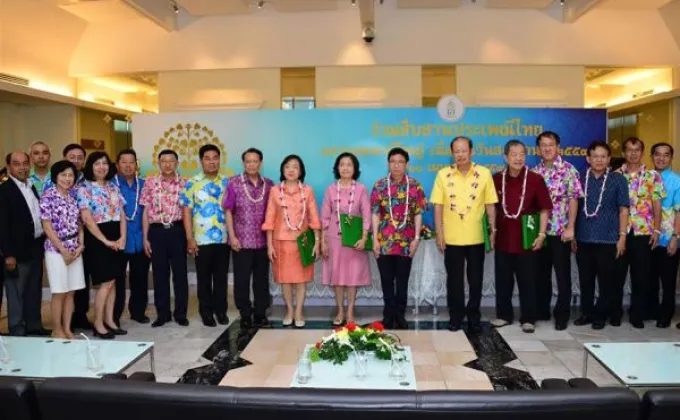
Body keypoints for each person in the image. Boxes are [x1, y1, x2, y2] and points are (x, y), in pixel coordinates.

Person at [430, 136, 497, 333]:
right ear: (452, 153)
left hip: (477, 237)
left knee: (476, 280)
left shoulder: (484, 174)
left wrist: (493, 231)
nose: (460, 154)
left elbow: (490, 205)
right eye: (456, 151)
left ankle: (474, 315)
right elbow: (438, 206)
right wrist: (439, 234)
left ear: (471, 151)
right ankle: (455, 316)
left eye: (464, 150)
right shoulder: (443, 175)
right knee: (454, 280)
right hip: (452, 238)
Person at [492, 140, 552, 334]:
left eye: (521, 154)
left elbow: (544, 209)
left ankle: (528, 318)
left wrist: (542, 234)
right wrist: (491, 230)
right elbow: (491, 208)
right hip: (503, 240)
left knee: (528, 281)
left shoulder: (535, 179)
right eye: (513, 154)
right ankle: (503, 315)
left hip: (527, 240)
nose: (518, 158)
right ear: (505, 157)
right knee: (503, 280)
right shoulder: (496, 179)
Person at [573, 141, 629, 330]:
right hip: (583, 238)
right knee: (585, 280)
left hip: (609, 238)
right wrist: (572, 234)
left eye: (603, 156)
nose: (599, 160)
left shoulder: (618, 180)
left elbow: (623, 209)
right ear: (588, 158)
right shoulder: (579, 178)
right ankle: (587, 313)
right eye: (595, 156)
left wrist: (622, 237)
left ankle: (601, 315)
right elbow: (572, 208)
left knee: (606, 281)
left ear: (609, 159)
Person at [371, 147, 427, 330]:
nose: (396, 165)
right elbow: (375, 214)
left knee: (402, 280)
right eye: (393, 161)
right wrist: (375, 239)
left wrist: (417, 238)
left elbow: (418, 213)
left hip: (406, 242)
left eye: (400, 162)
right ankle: (388, 315)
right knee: (387, 280)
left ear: (406, 164)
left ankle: (400, 315)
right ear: (388, 164)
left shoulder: (415, 185)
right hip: (385, 242)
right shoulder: (379, 185)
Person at [532, 131, 583, 330]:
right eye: (543, 145)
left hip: (561, 231)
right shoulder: (534, 171)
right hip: (541, 232)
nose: (547, 148)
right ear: (538, 149)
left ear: (558, 147)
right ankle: (542, 310)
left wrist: (571, 227)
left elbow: (574, 199)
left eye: (550, 145)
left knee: (562, 274)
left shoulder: (568, 170)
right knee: (540, 274)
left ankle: (562, 314)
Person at [262, 154, 321, 328]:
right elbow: (270, 218)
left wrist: (317, 242)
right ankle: (289, 309)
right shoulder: (275, 191)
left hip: (303, 243)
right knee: (285, 279)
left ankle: (299, 311)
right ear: (282, 169)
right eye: (287, 166)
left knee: (301, 279)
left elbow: (314, 218)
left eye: (295, 167)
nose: (291, 170)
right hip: (280, 242)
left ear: (301, 171)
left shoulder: (308, 191)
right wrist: (269, 245)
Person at [613, 137, 665, 329]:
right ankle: (615, 313)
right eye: (629, 150)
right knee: (616, 276)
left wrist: (657, 229)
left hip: (643, 233)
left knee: (640, 276)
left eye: (637, 150)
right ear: (624, 153)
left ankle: (637, 314)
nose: (632, 153)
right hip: (620, 233)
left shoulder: (653, 177)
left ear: (642, 153)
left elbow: (657, 206)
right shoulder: (615, 175)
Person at [77, 151, 127, 339]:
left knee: (113, 281)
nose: (102, 167)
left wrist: (122, 237)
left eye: (105, 163)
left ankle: (110, 320)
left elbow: (121, 213)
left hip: (116, 235)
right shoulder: (84, 188)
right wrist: (105, 241)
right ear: (90, 166)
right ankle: (98, 324)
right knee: (105, 283)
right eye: (97, 163)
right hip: (97, 238)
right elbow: (87, 219)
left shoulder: (113, 187)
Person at [0, 152, 50, 336]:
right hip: (16, 252)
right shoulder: (4, 190)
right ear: (8, 167)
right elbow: (2, 225)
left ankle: (34, 326)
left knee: (33, 291)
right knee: (16, 293)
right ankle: (17, 329)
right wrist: (8, 254)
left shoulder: (31, 186)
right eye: (16, 164)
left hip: (35, 247)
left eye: (25, 163)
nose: (22, 167)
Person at [139, 149, 189, 328]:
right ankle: (163, 314)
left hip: (177, 230)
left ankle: (181, 314)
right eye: (163, 161)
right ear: (158, 163)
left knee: (180, 274)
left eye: (171, 161)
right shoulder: (150, 183)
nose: (167, 164)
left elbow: (188, 212)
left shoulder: (185, 183)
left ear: (177, 163)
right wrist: (146, 238)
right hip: (157, 232)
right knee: (160, 275)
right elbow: (145, 211)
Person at [320, 152, 371, 326]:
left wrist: (364, 237)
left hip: (355, 240)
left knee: (352, 277)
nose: (346, 168)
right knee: (338, 277)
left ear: (355, 168)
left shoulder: (362, 189)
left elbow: (366, 215)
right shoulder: (330, 189)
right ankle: (340, 309)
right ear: (337, 168)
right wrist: (323, 241)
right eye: (342, 164)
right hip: (334, 239)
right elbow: (325, 217)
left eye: (349, 164)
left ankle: (350, 312)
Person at [224, 148, 273, 328]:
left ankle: (260, 313)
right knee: (241, 280)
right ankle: (245, 313)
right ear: (243, 163)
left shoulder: (269, 185)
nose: (252, 164)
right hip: (241, 242)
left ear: (260, 163)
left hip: (262, 242)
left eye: (255, 161)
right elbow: (228, 211)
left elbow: (272, 213)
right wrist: (232, 236)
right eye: (248, 161)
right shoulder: (234, 183)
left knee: (261, 280)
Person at [181, 144, 230, 327]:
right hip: (201, 240)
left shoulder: (227, 182)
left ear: (220, 159)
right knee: (203, 279)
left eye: (215, 157)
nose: (212, 161)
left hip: (223, 239)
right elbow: (186, 212)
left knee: (221, 278)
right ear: (201, 160)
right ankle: (206, 312)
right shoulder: (192, 183)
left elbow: (232, 211)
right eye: (207, 158)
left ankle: (221, 311)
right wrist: (189, 238)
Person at [40, 160, 85, 338]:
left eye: (70, 175)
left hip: (75, 249)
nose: (67, 178)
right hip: (55, 250)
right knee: (59, 292)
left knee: (71, 292)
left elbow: (79, 223)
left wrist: (81, 245)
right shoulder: (48, 196)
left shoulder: (73, 196)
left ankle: (67, 328)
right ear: (55, 177)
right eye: (63, 175)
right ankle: (57, 329)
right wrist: (63, 250)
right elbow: (47, 227)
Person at [113, 149, 151, 325]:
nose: (128, 166)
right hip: (117, 241)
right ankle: (114, 315)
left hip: (140, 239)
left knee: (140, 278)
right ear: (117, 165)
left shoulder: (145, 185)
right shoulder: (110, 185)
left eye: (132, 162)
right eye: (124, 162)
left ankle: (138, 311)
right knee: (117, 280)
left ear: (136, 165)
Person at [648, 143, 680, 328]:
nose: (661, 158)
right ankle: (651, 310)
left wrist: (676, 236)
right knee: (650, 277)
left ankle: (666, 314)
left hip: (668, 238)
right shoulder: (647, 178)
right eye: (658, 155)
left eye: (666, 155)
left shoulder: (676, 181)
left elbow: (679, 212)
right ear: (652, 156)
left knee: (667, 280)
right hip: (649, 237)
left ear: (671, 158)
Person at [63, 143, 91, 330]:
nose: (76, 160)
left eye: (80, 157)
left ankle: (81, 315)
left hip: (87, 234)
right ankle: (66, 318)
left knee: (83, 278)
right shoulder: (55, 179)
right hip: (64, 238)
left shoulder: (88, 180)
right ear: (65, 158)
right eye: (72, 157)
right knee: (66, 280)